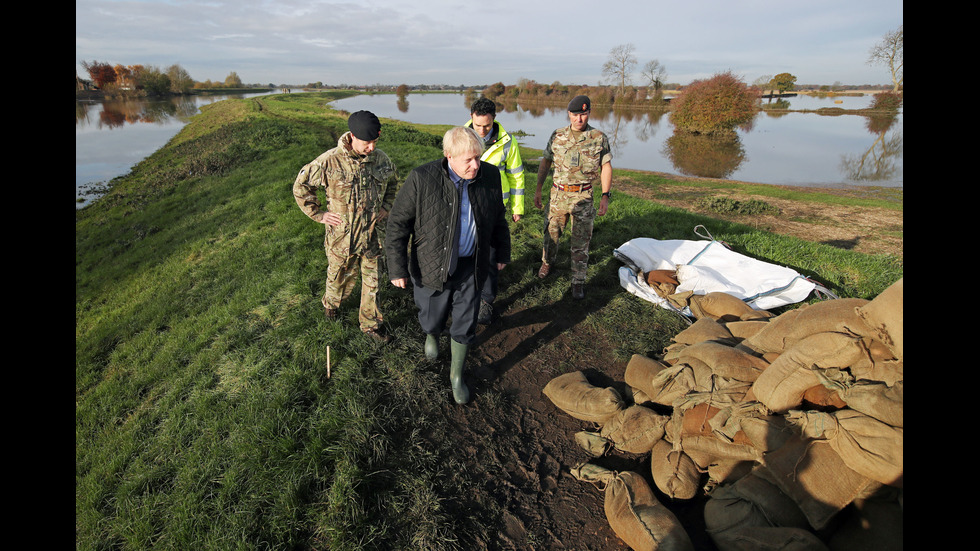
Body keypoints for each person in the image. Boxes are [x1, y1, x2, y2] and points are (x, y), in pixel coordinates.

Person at [386, 127, 511, 404]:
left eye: (478, 157)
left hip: (472, 265)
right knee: (432, 316)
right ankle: (432, 334)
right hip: (432, 265)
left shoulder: (489, 176)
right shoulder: (422, 178)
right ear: (448, 156)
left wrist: (502, 251)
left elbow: (498, 218)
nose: (476, 165)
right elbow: (397, 225)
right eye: (468, 160)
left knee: (466, 322)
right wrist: (397, 269)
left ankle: (456, 376)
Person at [292, 110, 399, 342]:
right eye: (366, 142)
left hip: (372, 236)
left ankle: (370, 325)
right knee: (339, 276)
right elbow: (301, 187)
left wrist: (386, 207)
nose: (371, 147)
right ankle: (331, 305)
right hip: (343, 238)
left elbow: (393, 184)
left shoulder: (382, 159)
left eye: (374, 142)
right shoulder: (328, 161)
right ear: (352, 136)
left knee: (373, 283)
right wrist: (319, 214)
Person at [533, 95, 612, 300]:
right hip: (558, 194)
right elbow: (546, 162)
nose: (579, 119)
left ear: (589, 114)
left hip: (583, 195)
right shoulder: (557, 136)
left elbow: (606, 166)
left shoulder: (598, 137)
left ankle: (578, 281)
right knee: (551, 235)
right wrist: (539, 188)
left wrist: (605, 196)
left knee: (581, 242)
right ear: (569, 114)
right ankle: (547, 263)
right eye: (576, 114)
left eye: (583, 114)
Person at [464, 97, 525, 324]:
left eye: (486, 126)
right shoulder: (460, 137)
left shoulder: (508, 143)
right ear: (471, 117)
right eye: (478, 125)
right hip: (465, 205)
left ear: (494, 120)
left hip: (493, 207)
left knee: (490, 255)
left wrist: (517, 207)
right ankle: (465, 293)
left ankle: (487, 301)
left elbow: (517, 176)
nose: (481, 130)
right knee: (465, 251)